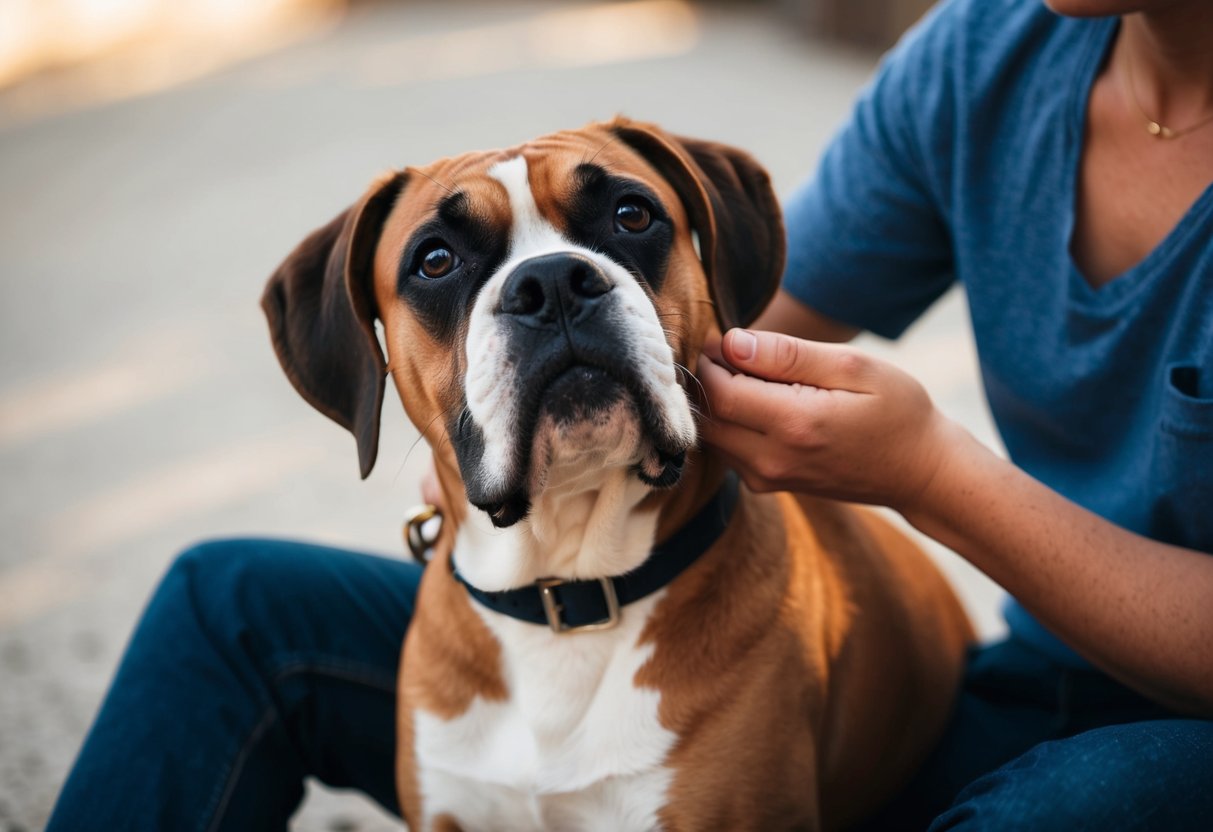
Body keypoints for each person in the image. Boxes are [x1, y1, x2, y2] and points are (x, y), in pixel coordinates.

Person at [47, 0, 1212, 829]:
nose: (554, 289)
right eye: (448, 266)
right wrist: (500, 406)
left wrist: (927, 471)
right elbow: (749, 314)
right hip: (1010, 692)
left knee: (1097, 799)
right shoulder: (985, 52)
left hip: (1156, 729)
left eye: (625, 225)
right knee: (226, 601)